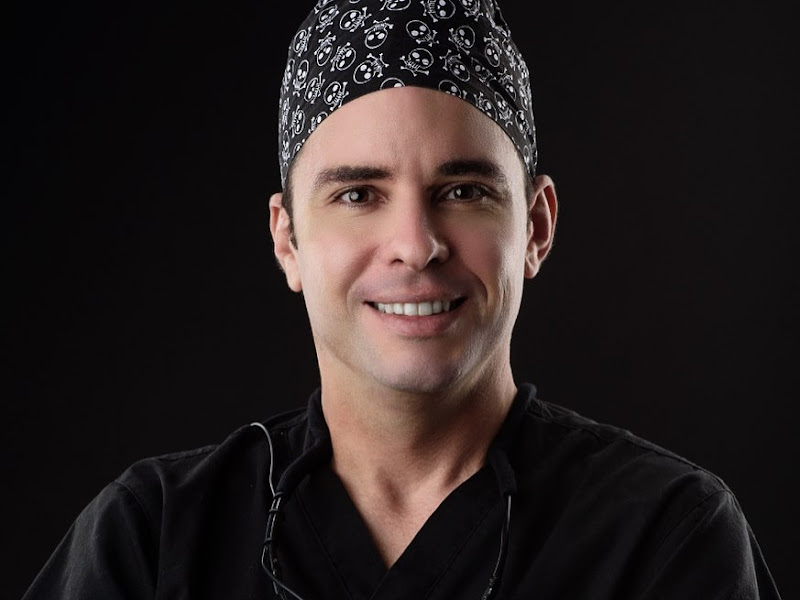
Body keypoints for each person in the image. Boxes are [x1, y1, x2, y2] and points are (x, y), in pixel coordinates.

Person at [23, 1, 782, 598]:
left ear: (536, 227)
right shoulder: (154, 538)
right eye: (358, 194)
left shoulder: (663, 536)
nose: (416, 245)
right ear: (288, 240)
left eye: (464, 191)